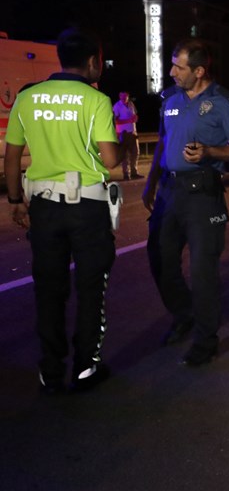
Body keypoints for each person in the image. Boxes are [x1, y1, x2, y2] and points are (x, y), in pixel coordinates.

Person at [3, 27, 121, 394]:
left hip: (44, 207)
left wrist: (14, 200)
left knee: (49, 289)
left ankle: (50, 370)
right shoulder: (96, 100)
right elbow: (111, 159)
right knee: (90, 288)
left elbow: (12, 156)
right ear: (91, 62)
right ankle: (85, 368)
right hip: (87, 207)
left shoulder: (28, 97)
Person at [142, 38, 229, 367]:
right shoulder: (170, 98)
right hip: (169, 193)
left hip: (203, 195)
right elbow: (163, 141)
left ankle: (205, 339)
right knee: (159, 259)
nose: (172, 72)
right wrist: (151, 183)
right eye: (172, 64)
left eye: (179, 67)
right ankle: (183, 314)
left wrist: (209, 152)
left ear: (199, 71)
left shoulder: (224, 102)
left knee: (203, 271)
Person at [113, 91, 141, 180]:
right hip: (123, 133)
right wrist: (128, 120)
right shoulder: (117, 106)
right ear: (119, 96)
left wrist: (135, 118)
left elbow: (135, 115)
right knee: (125, 155)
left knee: (135, 153)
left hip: (132, 131)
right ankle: (126, 174)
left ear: (128, 96)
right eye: (122, 96)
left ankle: (134, 172)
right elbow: (116, 121)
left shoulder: (131, 104)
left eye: (125, 96)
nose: (124, 98)